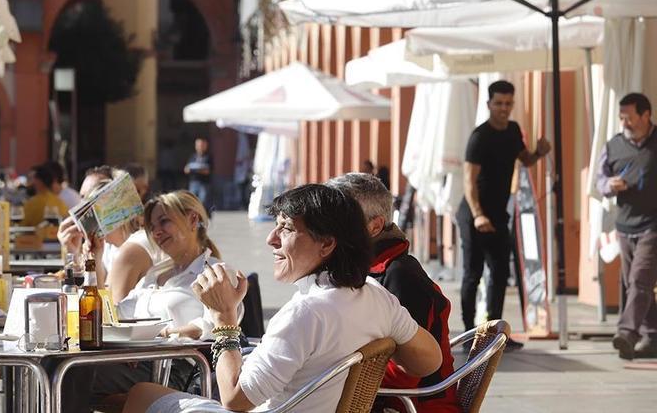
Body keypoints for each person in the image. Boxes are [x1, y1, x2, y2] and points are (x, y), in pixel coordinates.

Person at [124, 184, 442, 413]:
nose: (270, 239)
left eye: (286, 229)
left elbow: (234, 399)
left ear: (327, 244)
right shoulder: (375, 295)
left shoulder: (306, 312)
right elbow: (430, 360)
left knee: (139, 394)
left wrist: (224, 319)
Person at [60, 190, 239, 413]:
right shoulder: (155, 274)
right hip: (139, 358)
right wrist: (94, 260)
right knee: (58, 366)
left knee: (70, 372)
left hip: (177, 366)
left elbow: (214, 325)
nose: (156, 231)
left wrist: (153, 340)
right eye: (152, 226)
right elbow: (112, 314)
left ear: (193, 219)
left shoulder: (215, 272)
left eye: (164, 221)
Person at [328, 173, 457, 413]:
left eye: (339, 219)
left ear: (374, 226)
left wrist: (327, 377)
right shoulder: (356, 270)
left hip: (414, 405)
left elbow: (405, 372)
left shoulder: (400, 276)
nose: (326, 228)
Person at [457, 80, 550, 350]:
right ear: (489, 104)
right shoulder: (479, 136)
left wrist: (539, 153)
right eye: (498, 103)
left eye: (508, 103)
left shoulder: (513, 130)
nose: (503, 108)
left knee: (499, 274)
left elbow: (526, 159)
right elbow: (468, 181)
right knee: (472, 274)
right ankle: (467, 335)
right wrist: (478, 215)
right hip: (474, 214)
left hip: (498, 215)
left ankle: (495, 335)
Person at [595, 92, 657, 360]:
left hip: (653, 224)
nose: (625, 123)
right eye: (622, 118)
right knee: (636, 285)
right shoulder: (613, 145)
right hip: (624, 226)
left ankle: (627, 332)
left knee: (639, 280)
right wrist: (610, 185)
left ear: (646, 115)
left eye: (629, 117)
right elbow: (599, 180)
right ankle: (652, 335)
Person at [184, 137, 213, 210]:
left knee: (203, 201)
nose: (200, 147)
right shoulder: (192, 157)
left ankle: (203, 216)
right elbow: (186, 169)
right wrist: (192, 169)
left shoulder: (208, 157)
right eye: (198, 145)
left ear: (205, 145)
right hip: (193, 182)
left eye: (202, 145)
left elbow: (208, 171)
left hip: (204, 183)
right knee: (192, 201)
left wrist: (198, 170)